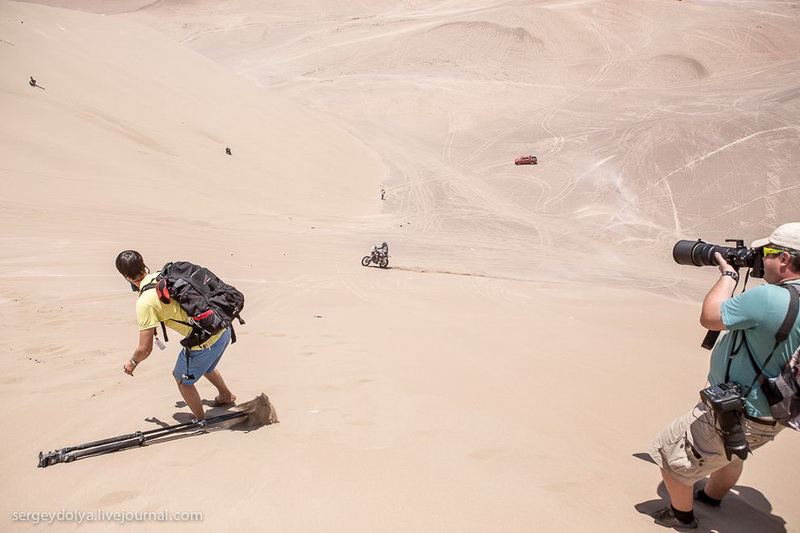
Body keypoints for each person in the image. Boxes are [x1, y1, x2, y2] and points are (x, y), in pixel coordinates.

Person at [648, 222, 800, 530]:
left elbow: (711, 316)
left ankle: (682, 517)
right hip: (777, 409)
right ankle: (713, 498)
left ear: (784, 260)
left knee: (669, 455)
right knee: (732, 453)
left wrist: (729, 275)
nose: (759, 259)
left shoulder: (770, 298)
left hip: (738, 410)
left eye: (766, 252)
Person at [115, 250, 236, 423]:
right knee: (205, 366)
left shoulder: (144, 303)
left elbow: (144, 349)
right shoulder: (163, 276)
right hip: (223, 329)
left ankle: (200, 420)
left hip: (206, 342)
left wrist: (133, 362)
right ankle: (226, 395)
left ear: (126, 276)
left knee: (181, 378)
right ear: (143, 264)